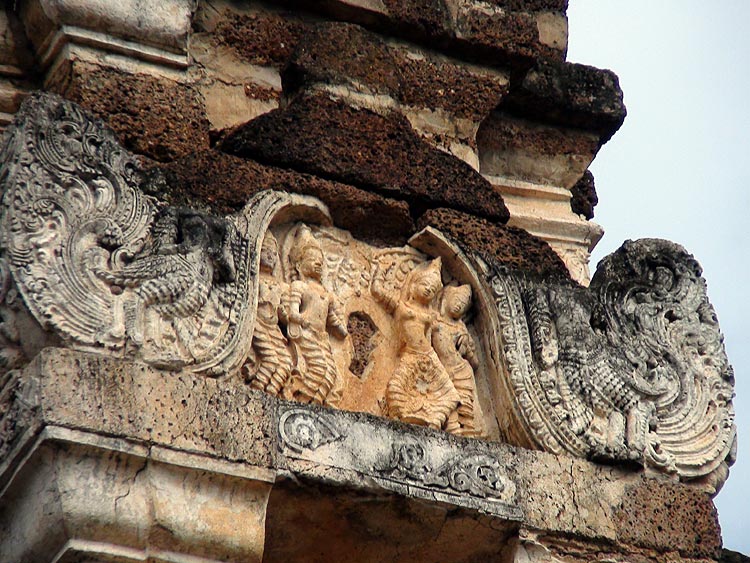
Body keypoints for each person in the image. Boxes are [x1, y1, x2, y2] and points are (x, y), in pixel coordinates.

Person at [371, 257, 460, 430]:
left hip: (427, 355)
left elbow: (439, 333)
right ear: (412, 286)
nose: (428, 290)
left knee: (450, 392)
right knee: (395, 388)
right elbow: (377, 291)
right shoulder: (400, 306)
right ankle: (400, 417)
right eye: (425, 285)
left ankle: (442, 422)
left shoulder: (431, 315)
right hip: (410, 355)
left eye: (433, 290)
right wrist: (379, 270)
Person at [286, 225, 348, 405]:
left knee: (330, 373)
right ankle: (300, 398)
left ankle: (316, 404)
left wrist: (340, 328)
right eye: (312, 259)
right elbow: (292, 312)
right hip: (305, 334)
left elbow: (331, 320)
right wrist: (301, 319)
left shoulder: (326, 294)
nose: (319, 263)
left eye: (320, 260)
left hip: (322, 338)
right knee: (319, 368)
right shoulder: (299, 286)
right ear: (299, 265)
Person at [245, 232, 293, 396]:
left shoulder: (279, 285)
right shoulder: (253, 279)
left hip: (273, 328)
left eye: (274, 254)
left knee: (286, 363)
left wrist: (286, 314)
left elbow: (283, 314)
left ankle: (271, 394)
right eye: (266, 252)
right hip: (257, 324)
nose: (271, 257)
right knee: (271, 361)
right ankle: (256, 393)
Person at [433, 284, 480, 436]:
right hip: (441, 371)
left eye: (464, 306)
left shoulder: (462, 330)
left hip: (462, 372)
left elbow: (476, 363)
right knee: (447, 406)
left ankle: (468, 434)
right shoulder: (434, 322)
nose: (459, 305)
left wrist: (466, 349)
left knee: (465, 409)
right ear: (446, 298)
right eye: (457, 300)